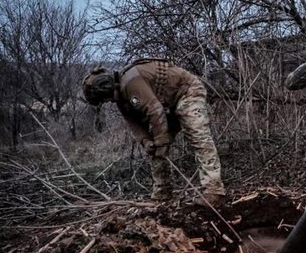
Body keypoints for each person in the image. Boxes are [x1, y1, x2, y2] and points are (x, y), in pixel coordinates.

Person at [82, 58, 224, 203]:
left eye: (104, 99)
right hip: (167, 105)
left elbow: (155, 111)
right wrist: (146, 141)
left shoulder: (131, 82)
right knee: (155, 149)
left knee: (198, 137)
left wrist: (161, 142)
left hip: (186, 91)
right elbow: (134, 123)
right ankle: (162, 192)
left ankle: (214, 190)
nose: (108, 101)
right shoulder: (121, 97)